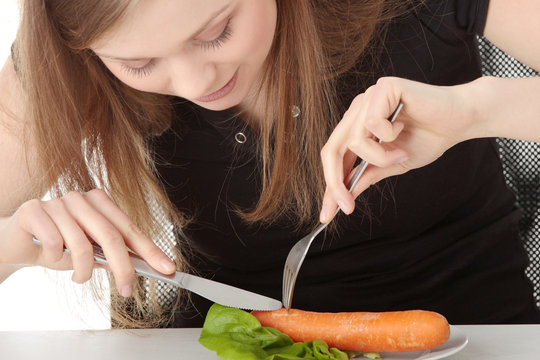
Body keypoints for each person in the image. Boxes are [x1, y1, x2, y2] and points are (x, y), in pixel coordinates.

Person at [1, 0, 540, 328]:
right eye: (136, 63)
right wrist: (22, 239)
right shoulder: (60, 51)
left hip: (480, 331)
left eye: (216, 31)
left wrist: (474, 110)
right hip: (235, 345)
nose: (195, 85)